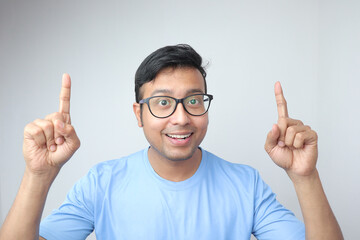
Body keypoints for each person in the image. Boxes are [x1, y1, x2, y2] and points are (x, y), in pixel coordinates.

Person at [0, 44, 343, 240]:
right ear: (139, 114)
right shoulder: (101, 183)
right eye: (163, 102)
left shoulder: (246, 185)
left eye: (194, 101)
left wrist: (305, 177)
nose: (181, 118)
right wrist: (38, 175)